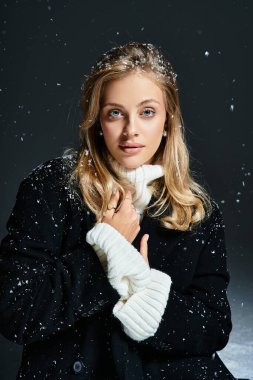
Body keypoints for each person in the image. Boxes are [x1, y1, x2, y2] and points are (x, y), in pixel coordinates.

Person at [0, 42, 236, 379]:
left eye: (147, 112)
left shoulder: (197, 211)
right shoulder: (50, 188)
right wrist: (103, 256)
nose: (131, 130)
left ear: (168, 118)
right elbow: (15, 312)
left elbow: (214, 327)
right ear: (97, 119)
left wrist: (143, 292)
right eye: (115, 113)